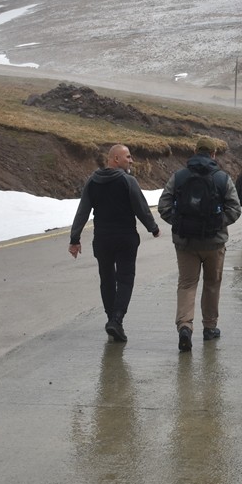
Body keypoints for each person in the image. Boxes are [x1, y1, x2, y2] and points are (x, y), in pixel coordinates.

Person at [68, 144, 161, 342]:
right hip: (125, 238)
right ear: (115, 159)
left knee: (107, 279)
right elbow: (141, 208)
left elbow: (82, 211)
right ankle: (116, 320)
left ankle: (111, 319)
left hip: (102, 239)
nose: (131, 160)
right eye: (128, 157)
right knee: (125, 279)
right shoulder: (128, 181)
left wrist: (74, 239)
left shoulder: (93, 181)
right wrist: (153, 228)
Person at [157, 135, 242, 352]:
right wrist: (217, 224)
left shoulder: (179, 176)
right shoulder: (222, 178)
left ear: (195, 152)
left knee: (187, 284)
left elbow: (164, 205)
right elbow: (235, 209)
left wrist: (179, 223)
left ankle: (185, 325)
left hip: (185, 242)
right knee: (212, 284)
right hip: (214, 243)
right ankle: (209, 328)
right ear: (214, 154)